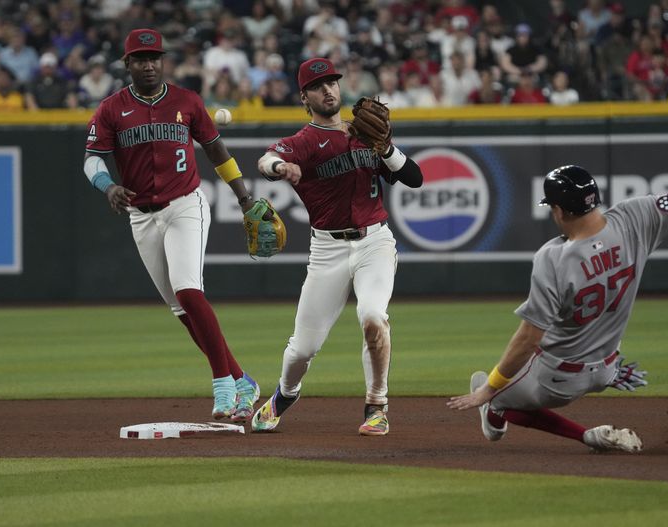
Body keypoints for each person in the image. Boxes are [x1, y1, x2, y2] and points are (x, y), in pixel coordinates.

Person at [448, 165, 668, 452]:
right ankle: (501, 406)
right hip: (607, 367)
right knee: (502, 383)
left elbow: (528, 339)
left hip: (558, 380)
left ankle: (587, 436)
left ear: (559, 211)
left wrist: (490, 389)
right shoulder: (635, 216)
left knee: (494, 395)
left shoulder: (552, 259)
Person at [82, 29, 261, 423]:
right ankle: (242, 379)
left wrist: (244, 196)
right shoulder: (112, 108)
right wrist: (107, 185)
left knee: (189, 291)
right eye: (141, 58)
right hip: (141, 215)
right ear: (127, 64)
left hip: (185, 205)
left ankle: (223, 387)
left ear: (162, 62)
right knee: (181, 309)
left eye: (155, 58)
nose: (149, 64)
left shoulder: (186, 101)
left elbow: (216, 150)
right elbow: (92, 159)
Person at [252, 57, 424, 436]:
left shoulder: (365, 134)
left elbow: (414, 178)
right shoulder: (304, 141)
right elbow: (267, 159)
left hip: (375, 241)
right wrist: (280, 168)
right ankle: (285, 394)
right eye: (318, 86)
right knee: (301, 350)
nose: (328, 89)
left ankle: (376, 406)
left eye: (332, 82)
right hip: (327, 250)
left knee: (373, 317)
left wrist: (385, 147)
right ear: (305, 97)